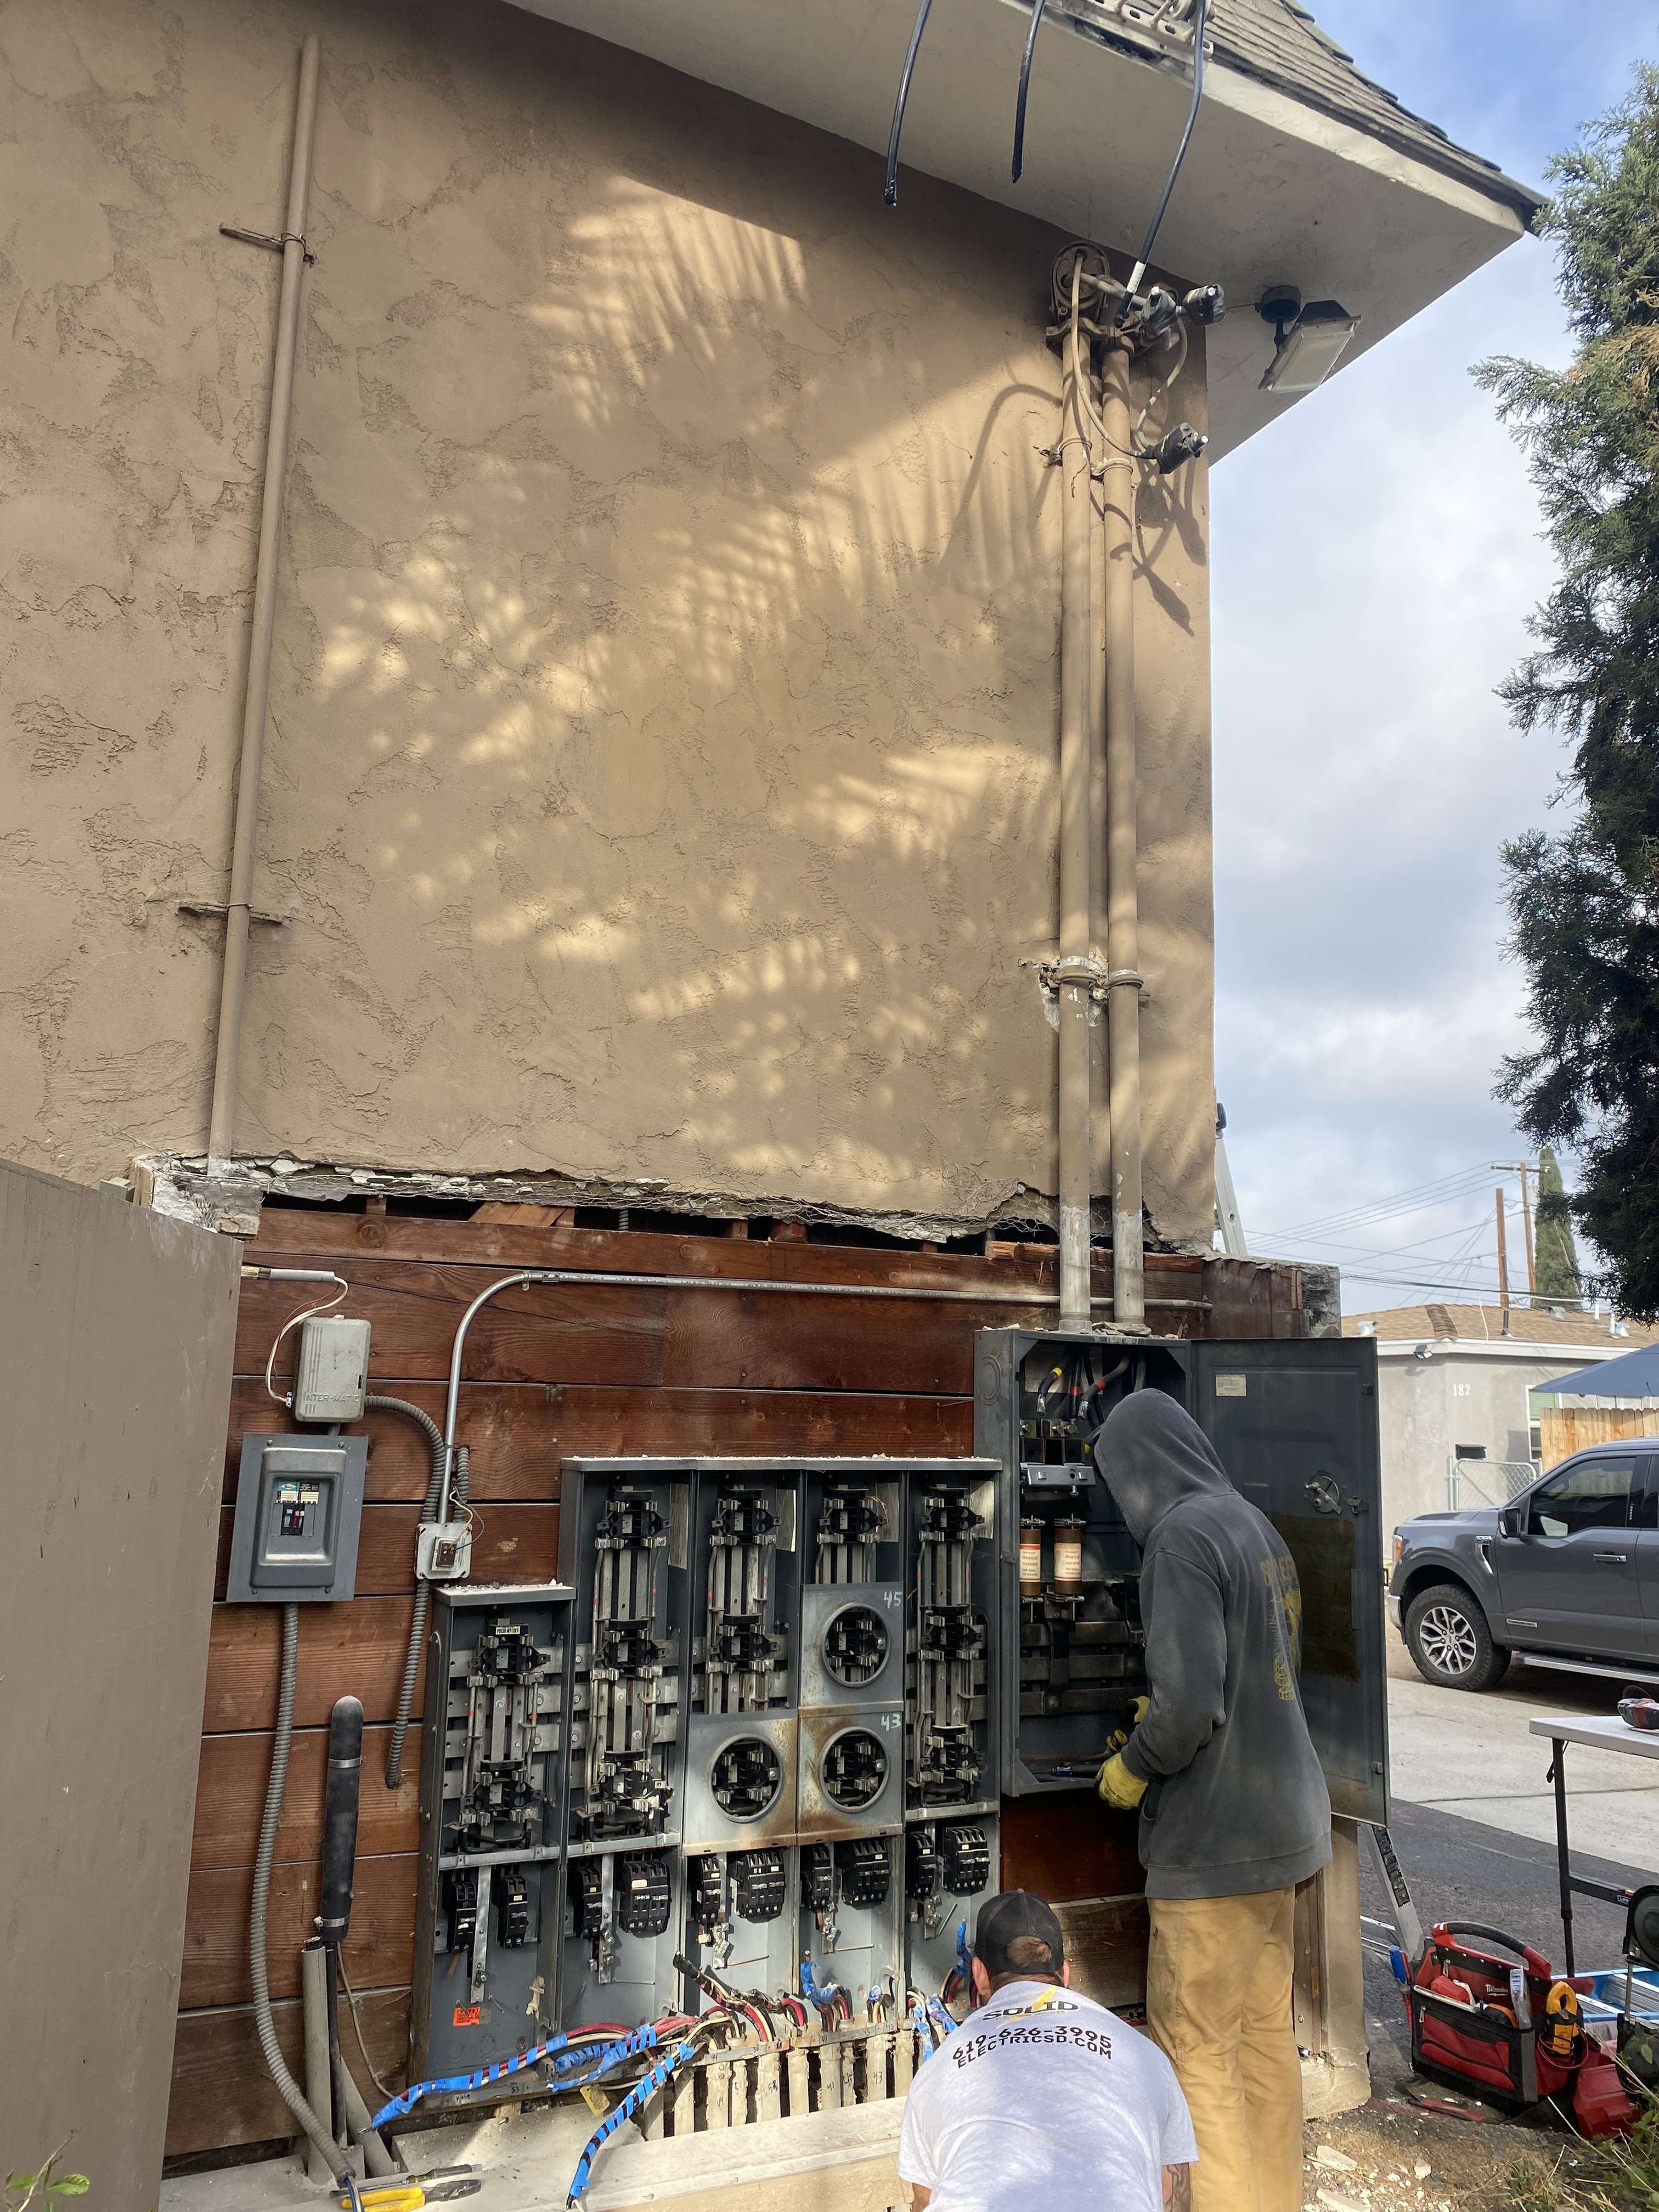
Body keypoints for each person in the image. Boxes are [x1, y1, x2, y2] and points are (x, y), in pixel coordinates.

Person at [1092, 1389, 1331, 2212]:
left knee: (1196, 2057)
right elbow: (1253, 1674)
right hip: (1287, 1833)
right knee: (1265, 2045)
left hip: (1216, 1848)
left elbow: (1193, 1709)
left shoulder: (1179, 1539)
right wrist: (1166, 1714)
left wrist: (1139, 1764)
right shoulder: (1250, 1525)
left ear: (1139, 1471)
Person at [897, 1889, 1196, 2212]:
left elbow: (925, 2201)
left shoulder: (938, 2069)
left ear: (980, 1974)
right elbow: (1173, 2195)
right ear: (1065, 1973)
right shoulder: (1144, 2055)